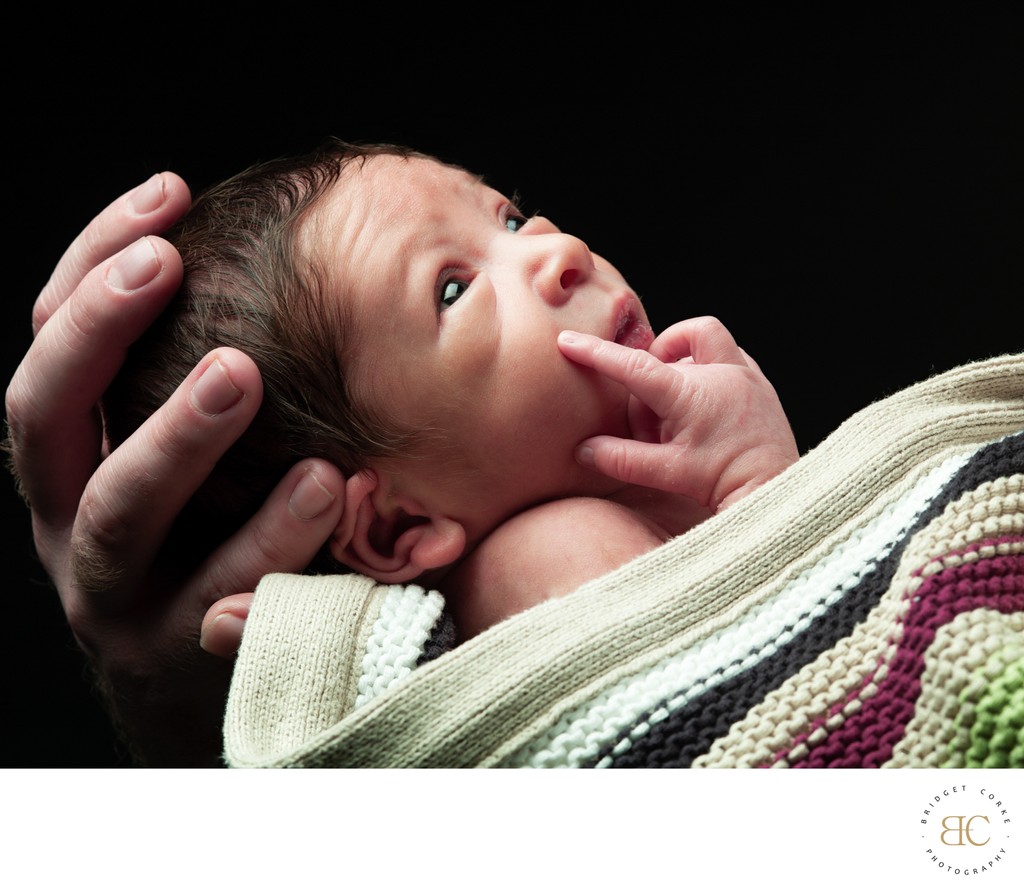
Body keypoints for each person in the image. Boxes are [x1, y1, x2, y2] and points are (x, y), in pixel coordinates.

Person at [5, 141, 796, 766]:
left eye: (511, 218)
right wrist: (774, 488)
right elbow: (751, 724)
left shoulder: (609, 502)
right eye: (453, 290)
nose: (561, 252)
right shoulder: (552, 553)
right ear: (394, 530)